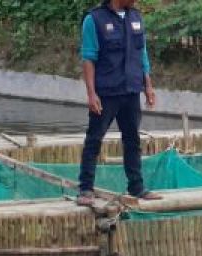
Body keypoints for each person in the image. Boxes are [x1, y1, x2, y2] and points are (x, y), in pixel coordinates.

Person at [77, 0, 162, 206]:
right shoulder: (94, 19)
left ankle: (137, 187)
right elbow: (88, 57)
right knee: (94, 139)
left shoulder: (136, 17)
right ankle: (85, 188)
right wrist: (91, 93)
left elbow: (142, 55)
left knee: (132, 140)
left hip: (131, 90)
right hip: (106, 92)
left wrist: (147, 86)